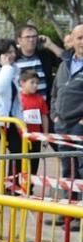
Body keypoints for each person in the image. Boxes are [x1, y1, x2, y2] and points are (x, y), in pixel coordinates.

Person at [50, 23, 83, 211]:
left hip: (80, 126)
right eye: (79, 38)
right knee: (67, 169)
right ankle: (68, 210)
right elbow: (55, 93)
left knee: (82, 168)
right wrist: (55, 116)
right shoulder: (65, 64)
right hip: (62, 126)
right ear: (72, 40)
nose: (82, 42)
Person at [15, 25, 64, 108]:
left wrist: (50, 45)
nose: (31, 40)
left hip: (44, 107)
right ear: (19, 40)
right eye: (27, 37)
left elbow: (67, 60)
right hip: (20, 108)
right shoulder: (13, 57)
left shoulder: (44, 55)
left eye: (34, 36)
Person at [16, 68, 48, 178]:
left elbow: (44, 116)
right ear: (22, 83)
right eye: (32, 82)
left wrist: (46, 134)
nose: (35, 85)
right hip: (20, 138)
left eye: (37, 83)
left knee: (34, 165)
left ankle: (30, 188)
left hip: (35, 137)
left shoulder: (40, 99)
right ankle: (13, 189)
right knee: (17, 165)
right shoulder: (18, 98)